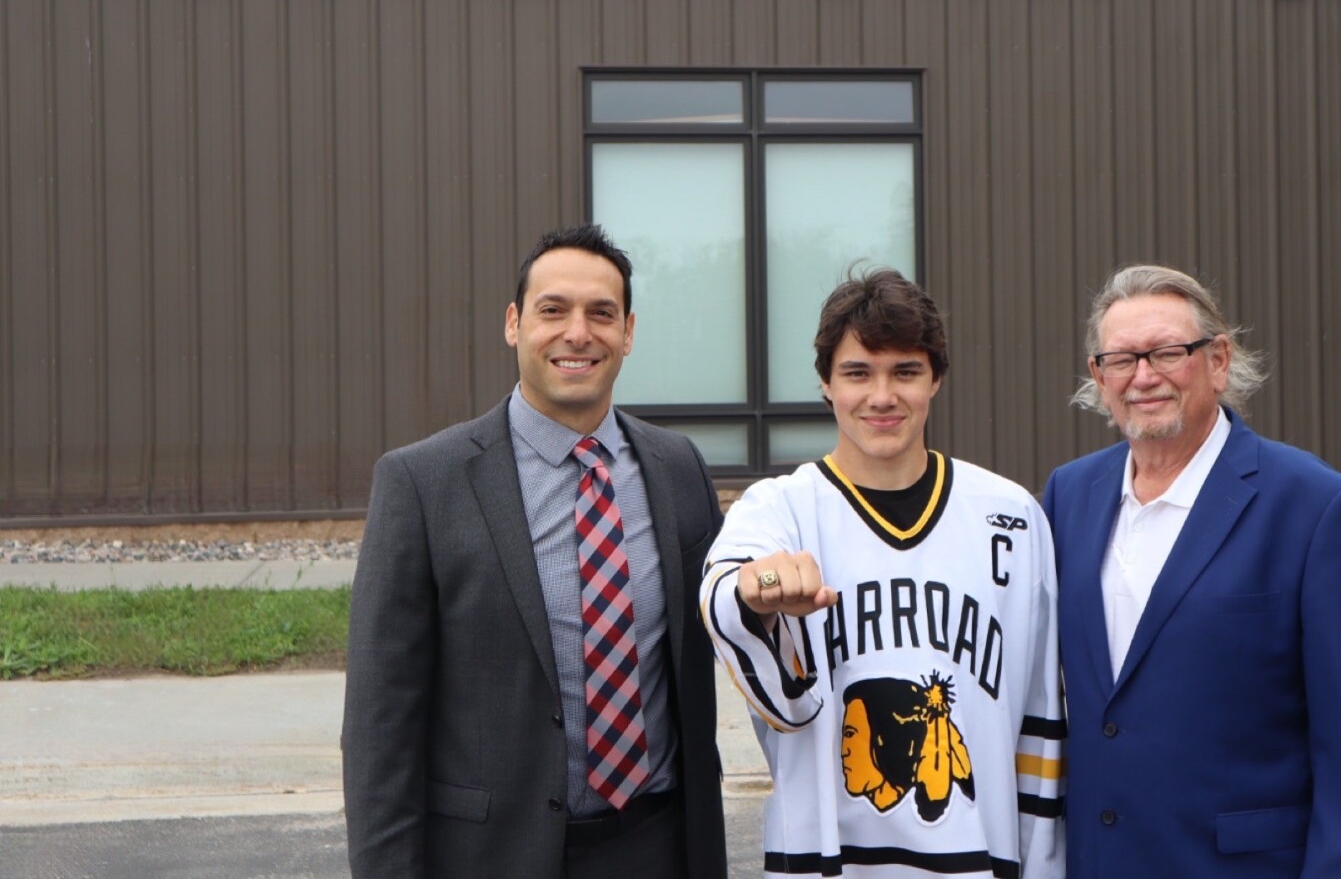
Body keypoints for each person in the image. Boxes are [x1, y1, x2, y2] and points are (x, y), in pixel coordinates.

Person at [342, 224, 727, 879]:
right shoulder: (422, 483)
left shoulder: (677, 468)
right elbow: (381, 730)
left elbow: (725, 626)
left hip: (656, 845)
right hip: (493, 857)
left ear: (627, 333)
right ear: (514, 324)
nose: (578, 333)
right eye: (553, 310)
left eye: (600, 314)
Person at [1042, 264, 1341, 877]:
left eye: (1166, 353)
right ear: (1098, 378)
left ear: (1218, 360)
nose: (1144, 377)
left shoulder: (1316, 507)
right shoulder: (1068, 496)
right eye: (1122, 360)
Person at [701, 269, 1064, 879]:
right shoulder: (778, 508)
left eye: (905, 372)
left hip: (980, 860)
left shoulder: (1013, 515)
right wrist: (759, 589)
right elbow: (724, 595)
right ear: (825, 383)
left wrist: (1043, 866)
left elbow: (1040, 724)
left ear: (936, 380)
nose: (881, 396)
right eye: (857, 373)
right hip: (827, 864)